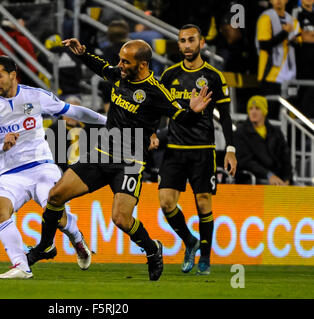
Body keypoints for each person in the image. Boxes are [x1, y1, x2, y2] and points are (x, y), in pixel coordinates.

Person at [28, 37, 212, 282]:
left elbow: (181, 117)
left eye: (126, 62)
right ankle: (45, 247)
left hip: (130, 161)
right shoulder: (120, 75)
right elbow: (102, 68)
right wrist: (82, 53)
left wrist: (193, 111)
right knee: (55, 196)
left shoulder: (156, 92)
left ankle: (152, 249)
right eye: (120, 60)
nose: (121, 65)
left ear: (143, 65)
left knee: (121, 218)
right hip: (101, 153)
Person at [0, 55, 107, 279]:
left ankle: (77, 239)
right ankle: (21, 266)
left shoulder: (35, 96)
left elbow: (73, 111)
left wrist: (108, 121)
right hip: (10, 173)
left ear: (12, 75)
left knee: (58, 217)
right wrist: (2, 146)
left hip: (42, 168)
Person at [157, 24, 237, 276]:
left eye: (191, 40)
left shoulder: (214, 76)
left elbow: (225, 116)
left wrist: (231, 149)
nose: (187, 45)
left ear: (201, 42)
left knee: (203, 203)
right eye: (182, 41)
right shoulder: (169, 75)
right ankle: (189, 241)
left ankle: (205, 257)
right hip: (174, 148)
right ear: (178, 45)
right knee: (166, 202)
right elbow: (159, 110)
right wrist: (151, 131)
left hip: (203, 149)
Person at [256, 0, 301, 119]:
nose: (279, 1)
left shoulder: (294, 21)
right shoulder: (266, 18)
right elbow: (264, 45)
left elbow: (299, 44)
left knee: (288, 116)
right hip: (270, 76)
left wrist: (295, 41)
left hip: (290, 77)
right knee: (270, 116)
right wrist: (284, 33)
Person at [235, 95, 292, 185]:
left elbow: (285, 158)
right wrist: (268, 175)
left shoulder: (275, 132)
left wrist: (287, 178)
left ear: (264, 111)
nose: (253, 112)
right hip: (254, 178)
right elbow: (245, 161)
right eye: (251, 109)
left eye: (257, 108)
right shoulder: (240, 132)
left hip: (278, 178)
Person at [293, 0, 314, 118]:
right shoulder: (297, 13)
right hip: (302, 66)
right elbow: (300, 37)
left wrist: (308, 34)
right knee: (303, 102)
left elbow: (308, 36)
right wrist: (306, 35)